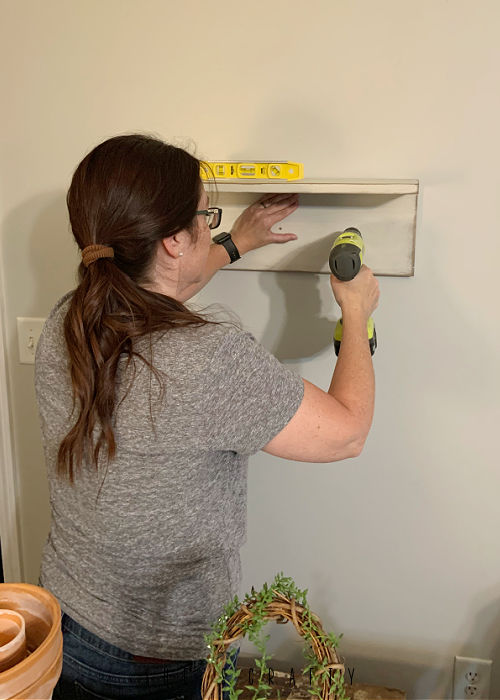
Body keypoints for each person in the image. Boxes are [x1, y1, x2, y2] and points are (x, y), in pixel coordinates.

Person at [34, 134, 379, 700]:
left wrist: (234, 241)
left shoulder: (68, 320)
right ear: (172, 240)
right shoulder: (208, 359)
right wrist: (356, 313)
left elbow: (161, 285)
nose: (206, 226)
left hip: (67, 620)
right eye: (203, 216)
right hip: (156, 656)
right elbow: (347, 433)